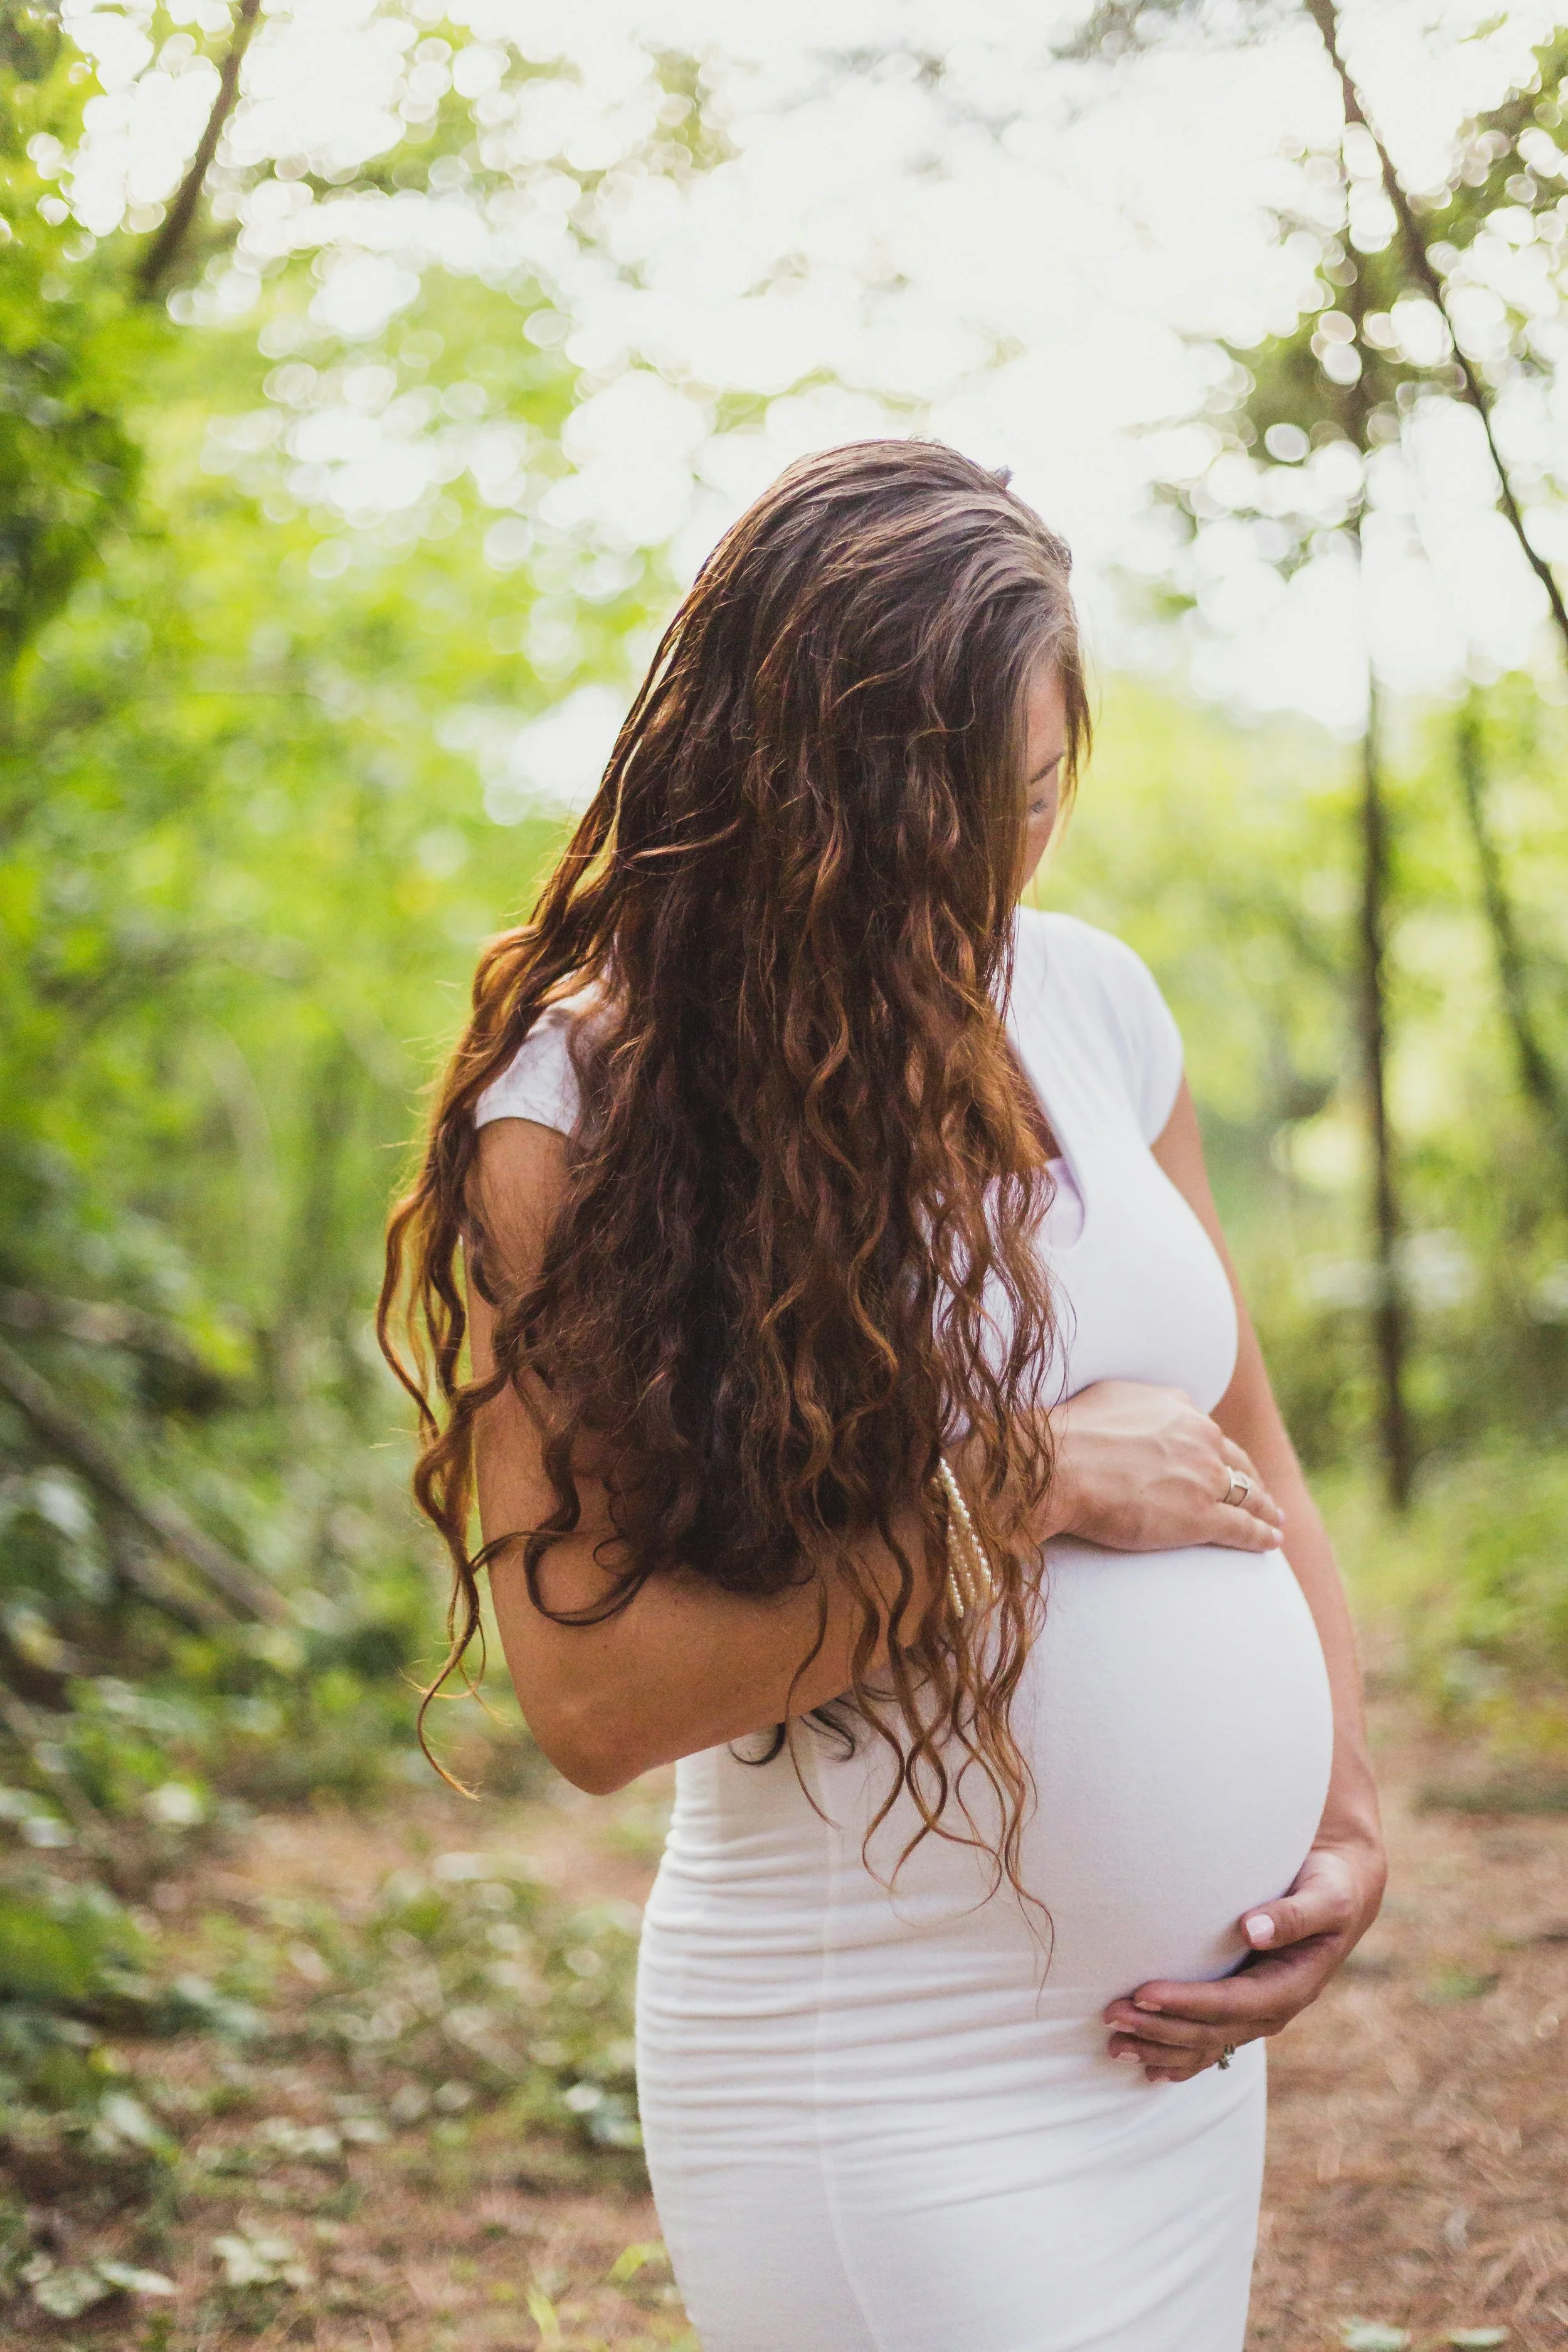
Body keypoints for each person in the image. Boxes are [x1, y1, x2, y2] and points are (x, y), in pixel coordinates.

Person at [379, 439, 1385, 2352]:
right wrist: (1010, 1487)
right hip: (882, 2076)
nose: (993, 868)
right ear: (785, 791)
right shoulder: (583, 1116)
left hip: (1168, 2077)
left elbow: (1242, 1440)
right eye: (939, 815)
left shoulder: (1091, 1002)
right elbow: (595, 1704)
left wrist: (1337, 1817)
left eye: (1028, 797)